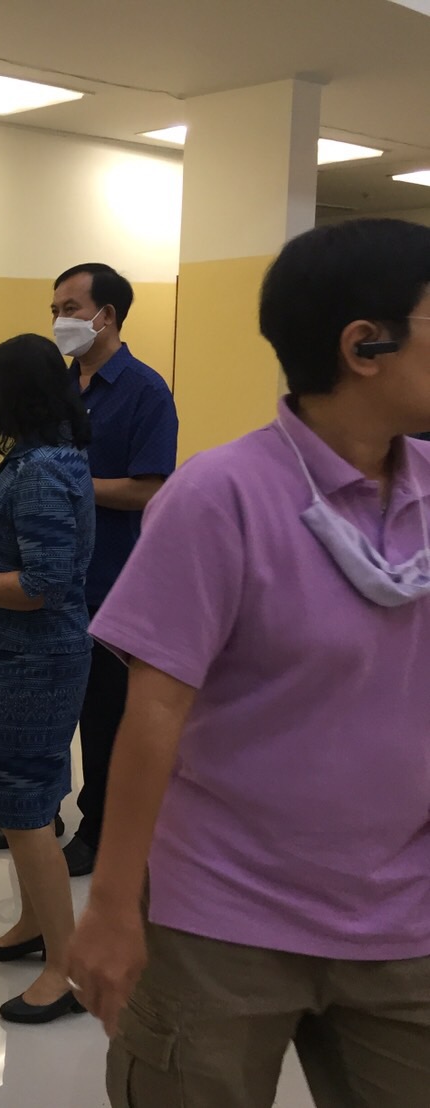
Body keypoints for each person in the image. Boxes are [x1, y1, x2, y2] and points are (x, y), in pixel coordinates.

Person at [66, 218, 430, 1107]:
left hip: (402, 916)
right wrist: (112, 905)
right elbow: (153, 713)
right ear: (364, 347)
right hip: (220, 918)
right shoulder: (221, 496)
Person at [0, 263, 178, 875]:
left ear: (106, 315)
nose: (60, 320)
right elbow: (30, 468)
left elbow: (150, 490)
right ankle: (40, 812)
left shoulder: (144, 391)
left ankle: (100, 828)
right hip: (43, 584)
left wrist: (65, 486)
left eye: (70, 308)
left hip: (110, 581)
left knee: (102, 716)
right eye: (54, 310)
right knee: (48, 708)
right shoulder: (57, 383)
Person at [0, 334, 95, 1024]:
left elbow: (42, 584)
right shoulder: (45, 458)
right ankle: (35, 925)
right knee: (27, 800)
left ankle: (66, 969)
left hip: (31, 661)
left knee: (25, 810)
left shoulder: (39, 471)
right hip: (22, 659)